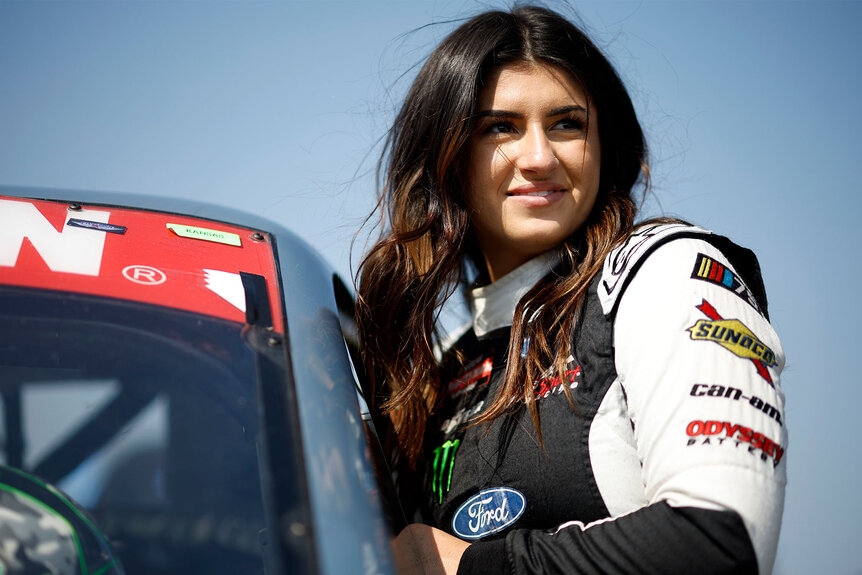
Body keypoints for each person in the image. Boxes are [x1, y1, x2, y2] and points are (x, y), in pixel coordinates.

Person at [356, 6, 786, 574]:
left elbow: (720, 542)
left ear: (604, 144)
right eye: (500, 127)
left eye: (567, 124)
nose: (539, 158)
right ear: (446, 158)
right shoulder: (441, 366)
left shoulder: (661, 272)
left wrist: (468, 567)